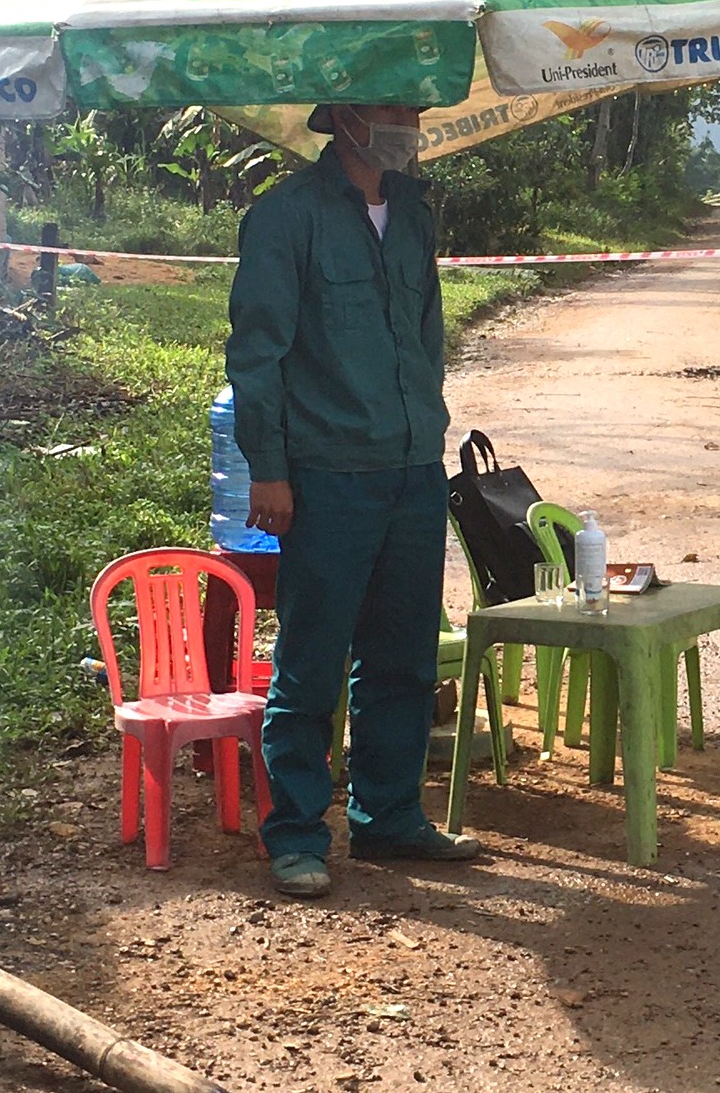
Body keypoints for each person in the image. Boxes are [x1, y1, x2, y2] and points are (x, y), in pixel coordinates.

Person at [226, 102, 481, 898]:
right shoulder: (285, 218)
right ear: (344, 118)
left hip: (412, 467)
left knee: (402, 658)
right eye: (390, 110)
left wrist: (426, 426)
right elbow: (257, 353)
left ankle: (389, 817)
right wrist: (268, 468)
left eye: (413, 109)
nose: (408, 123)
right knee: (312, 661)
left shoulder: (413, 215)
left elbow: (428, 337)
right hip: (327, 474)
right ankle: (298, 834)